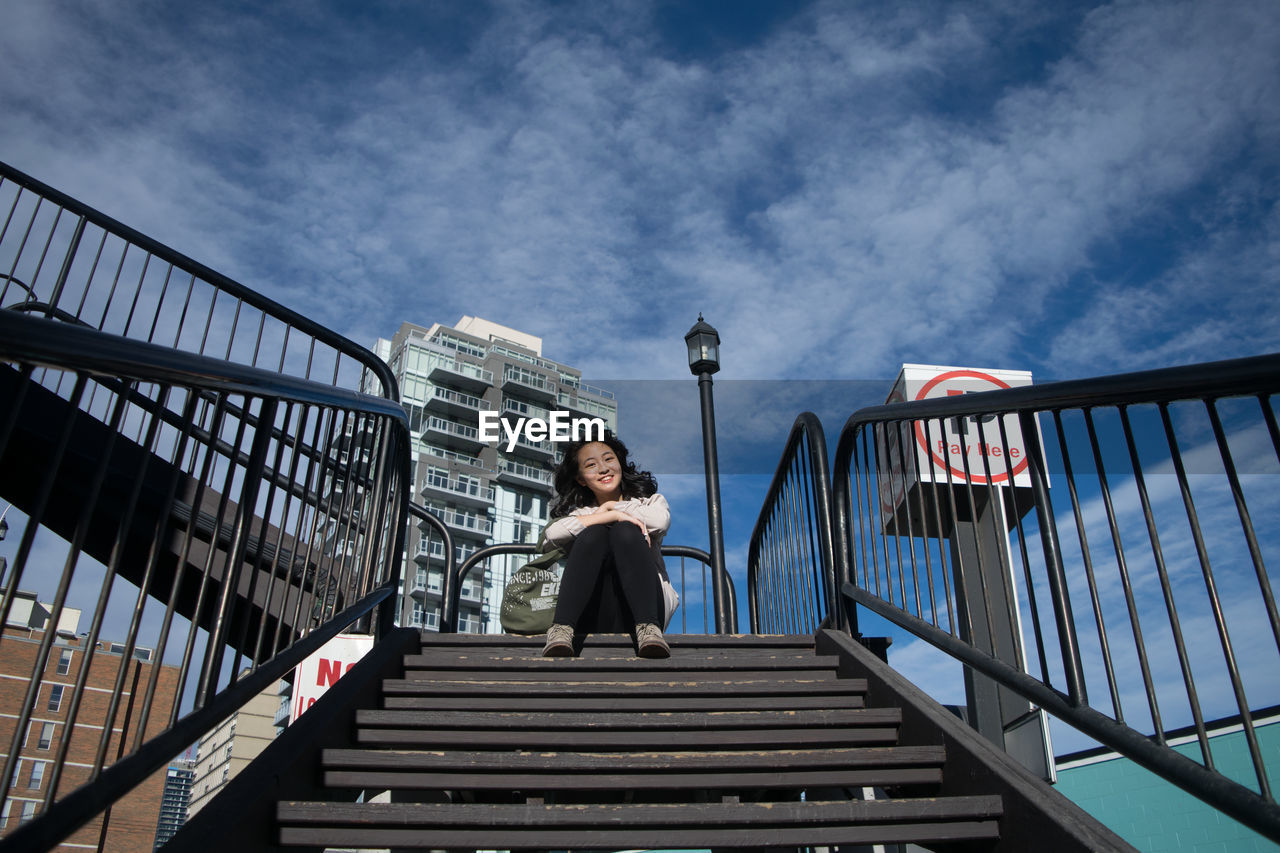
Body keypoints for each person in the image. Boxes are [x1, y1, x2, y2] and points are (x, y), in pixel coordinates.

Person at [539, 431, 672, 658]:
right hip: (594, 611)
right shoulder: (582, 514)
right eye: (591, 465)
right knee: (595, 535)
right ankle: (561, 629)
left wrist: (613, 510)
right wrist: (607, 517)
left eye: (609, 459)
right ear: (581, 479)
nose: (603, 468)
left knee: (625, 532)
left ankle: (648, 629)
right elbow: (549, 536)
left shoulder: (648, 502)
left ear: (619, 462)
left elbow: (660, 520)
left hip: (646, 610)